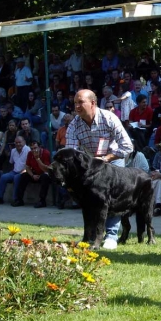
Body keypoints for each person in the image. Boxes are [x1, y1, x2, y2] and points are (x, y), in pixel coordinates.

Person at [65, 89, 133, 250]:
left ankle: (111, 235)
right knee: (93, 200)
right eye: (75, 103)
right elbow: (71, 152)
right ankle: (93, 234)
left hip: (113, 160)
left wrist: (106, 159)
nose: (77, 106)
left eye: (80, 102)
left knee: (112, 197)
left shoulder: (109, 118)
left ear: (93, 103)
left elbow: (127, 146)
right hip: (91, 164)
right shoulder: (74, 124)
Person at [0, 136, 30, 205]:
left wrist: (22, 172)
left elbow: (29, 165)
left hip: (24, 172)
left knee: (16, 178)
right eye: (16, 143)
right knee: (3, 177)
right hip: (14, 171)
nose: (18, 144)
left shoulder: (28, 150)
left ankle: (16, 199)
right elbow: (11, 162)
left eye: (20, 142)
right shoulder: (13, 151)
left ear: (24, 142)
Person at [13, 140, 51, 208]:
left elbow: (46, 169)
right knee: (23, 176)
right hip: (34, 173)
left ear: (39, 147)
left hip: (44, 173)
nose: (34, 150)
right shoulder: (30, 153)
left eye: (35, 148)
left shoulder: (45, 153)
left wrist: (37, 159)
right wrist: (32, 175)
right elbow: (27, 167)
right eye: (32, 148)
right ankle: (19, 200)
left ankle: (42, 201)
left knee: (45, 178)